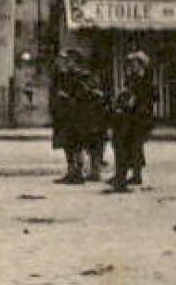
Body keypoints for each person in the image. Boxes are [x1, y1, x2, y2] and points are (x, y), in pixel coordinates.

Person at [106, 50, 158, 192]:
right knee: (133, 146)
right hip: (130, 117)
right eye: (130, 64)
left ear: (141, 65)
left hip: (141, 117)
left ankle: (133, 175)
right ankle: (132, 174)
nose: (131, 66)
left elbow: (153, 97)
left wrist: (138, 102)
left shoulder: (146, 80)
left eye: (134, 63)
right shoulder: (131, 78)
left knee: (135, 145)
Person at [50, 50, 104, 184]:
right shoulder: (61, 76)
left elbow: (88, 95)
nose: (65, 63)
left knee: (78, 144)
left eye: (68, 60)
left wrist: (68, 97)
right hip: (63, 116)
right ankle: (72, 171)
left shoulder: (84, 77)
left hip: (78, 117)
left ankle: (79, 172)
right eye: (64, 60)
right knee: (68, 145)